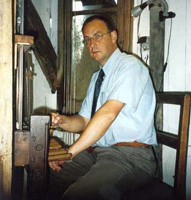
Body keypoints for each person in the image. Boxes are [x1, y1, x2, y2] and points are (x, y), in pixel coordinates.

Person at [49, 15, 157, 200]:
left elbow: (108, 114)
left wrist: (70, 152)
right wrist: (61, 121)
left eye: (98, 36)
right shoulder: (97, 77)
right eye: (87, 39)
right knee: (44, 169)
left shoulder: (130, 67)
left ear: (113, 36)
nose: (92, 44)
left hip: (131, 157)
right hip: (99, 153)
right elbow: (83, 120)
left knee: (76, 196)